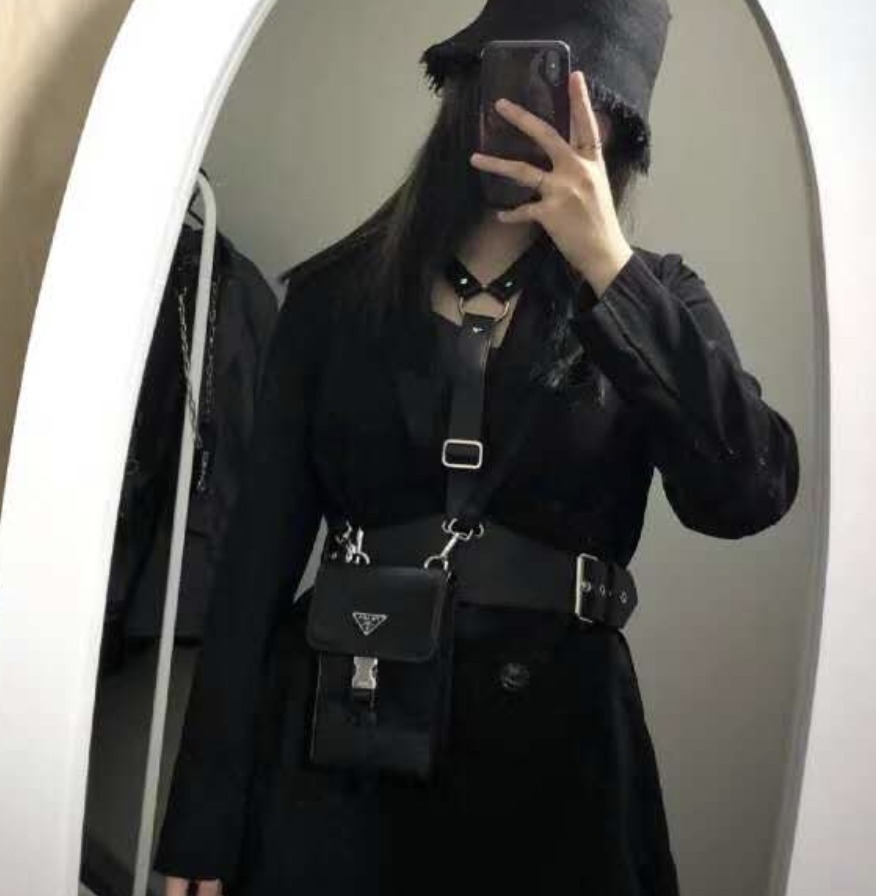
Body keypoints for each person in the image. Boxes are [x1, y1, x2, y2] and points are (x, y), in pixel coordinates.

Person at [154, 2, 800, 894]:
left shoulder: (655, 298)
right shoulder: (335, 298)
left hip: (559, 773)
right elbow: (253, 565)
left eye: (593, 104)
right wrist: (203, 820)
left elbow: (747, 492)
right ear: (470, 86)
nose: (555, 122)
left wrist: (609, 271)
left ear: (621, 134)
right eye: (536, 84)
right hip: (341, 748)